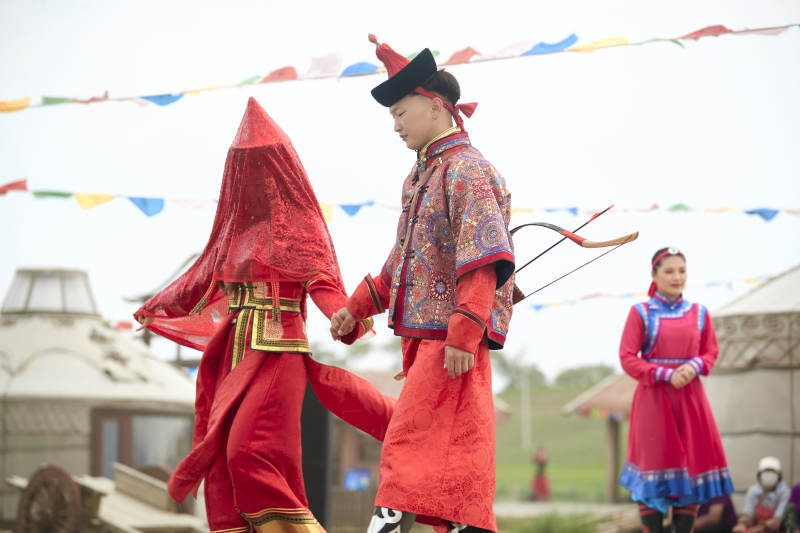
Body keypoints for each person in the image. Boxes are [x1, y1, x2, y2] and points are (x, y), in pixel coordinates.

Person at [135, 98, 396, 533]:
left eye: (259, 164)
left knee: (247, 452)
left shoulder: (301, 225)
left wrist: (345, 315)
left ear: (279, 165)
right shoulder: (234, 229)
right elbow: (201, 279)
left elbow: (324, 286)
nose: (251, 175)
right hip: (233, 355)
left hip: (279, 354)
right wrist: (157, 308)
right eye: (242, 165)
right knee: (221, 460)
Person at [330, 35, 515, 533]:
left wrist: (464, 330)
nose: (395, 125)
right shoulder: (419, 178)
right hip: (429, 343)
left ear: (435, 106)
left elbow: (483, 258)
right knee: (444, 462)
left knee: (408, 449)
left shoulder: (468, 171)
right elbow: (404, 263)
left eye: (400, 112)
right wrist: (357, 307)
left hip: (450, 344)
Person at [618, 247, 734, 533]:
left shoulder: (699, 313)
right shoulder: (640, 313)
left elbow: (710, 351)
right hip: (654, 400)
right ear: (654, 275)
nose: (676, 277)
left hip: (691, 401)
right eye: (669, 271)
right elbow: (628, 357)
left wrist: (693, 366)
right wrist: (664, 374)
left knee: (690, 470)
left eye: (681, 270)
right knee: (653, 468)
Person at [733, 456, 791, 532]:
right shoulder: (753, 491)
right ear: (759, 475)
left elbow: (777, 520)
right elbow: (748, 513)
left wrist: (758, 529)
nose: (769, 475)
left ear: (779, 476)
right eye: (766, 472)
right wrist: (742, 524)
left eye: (772, 472)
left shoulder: (784, 492)